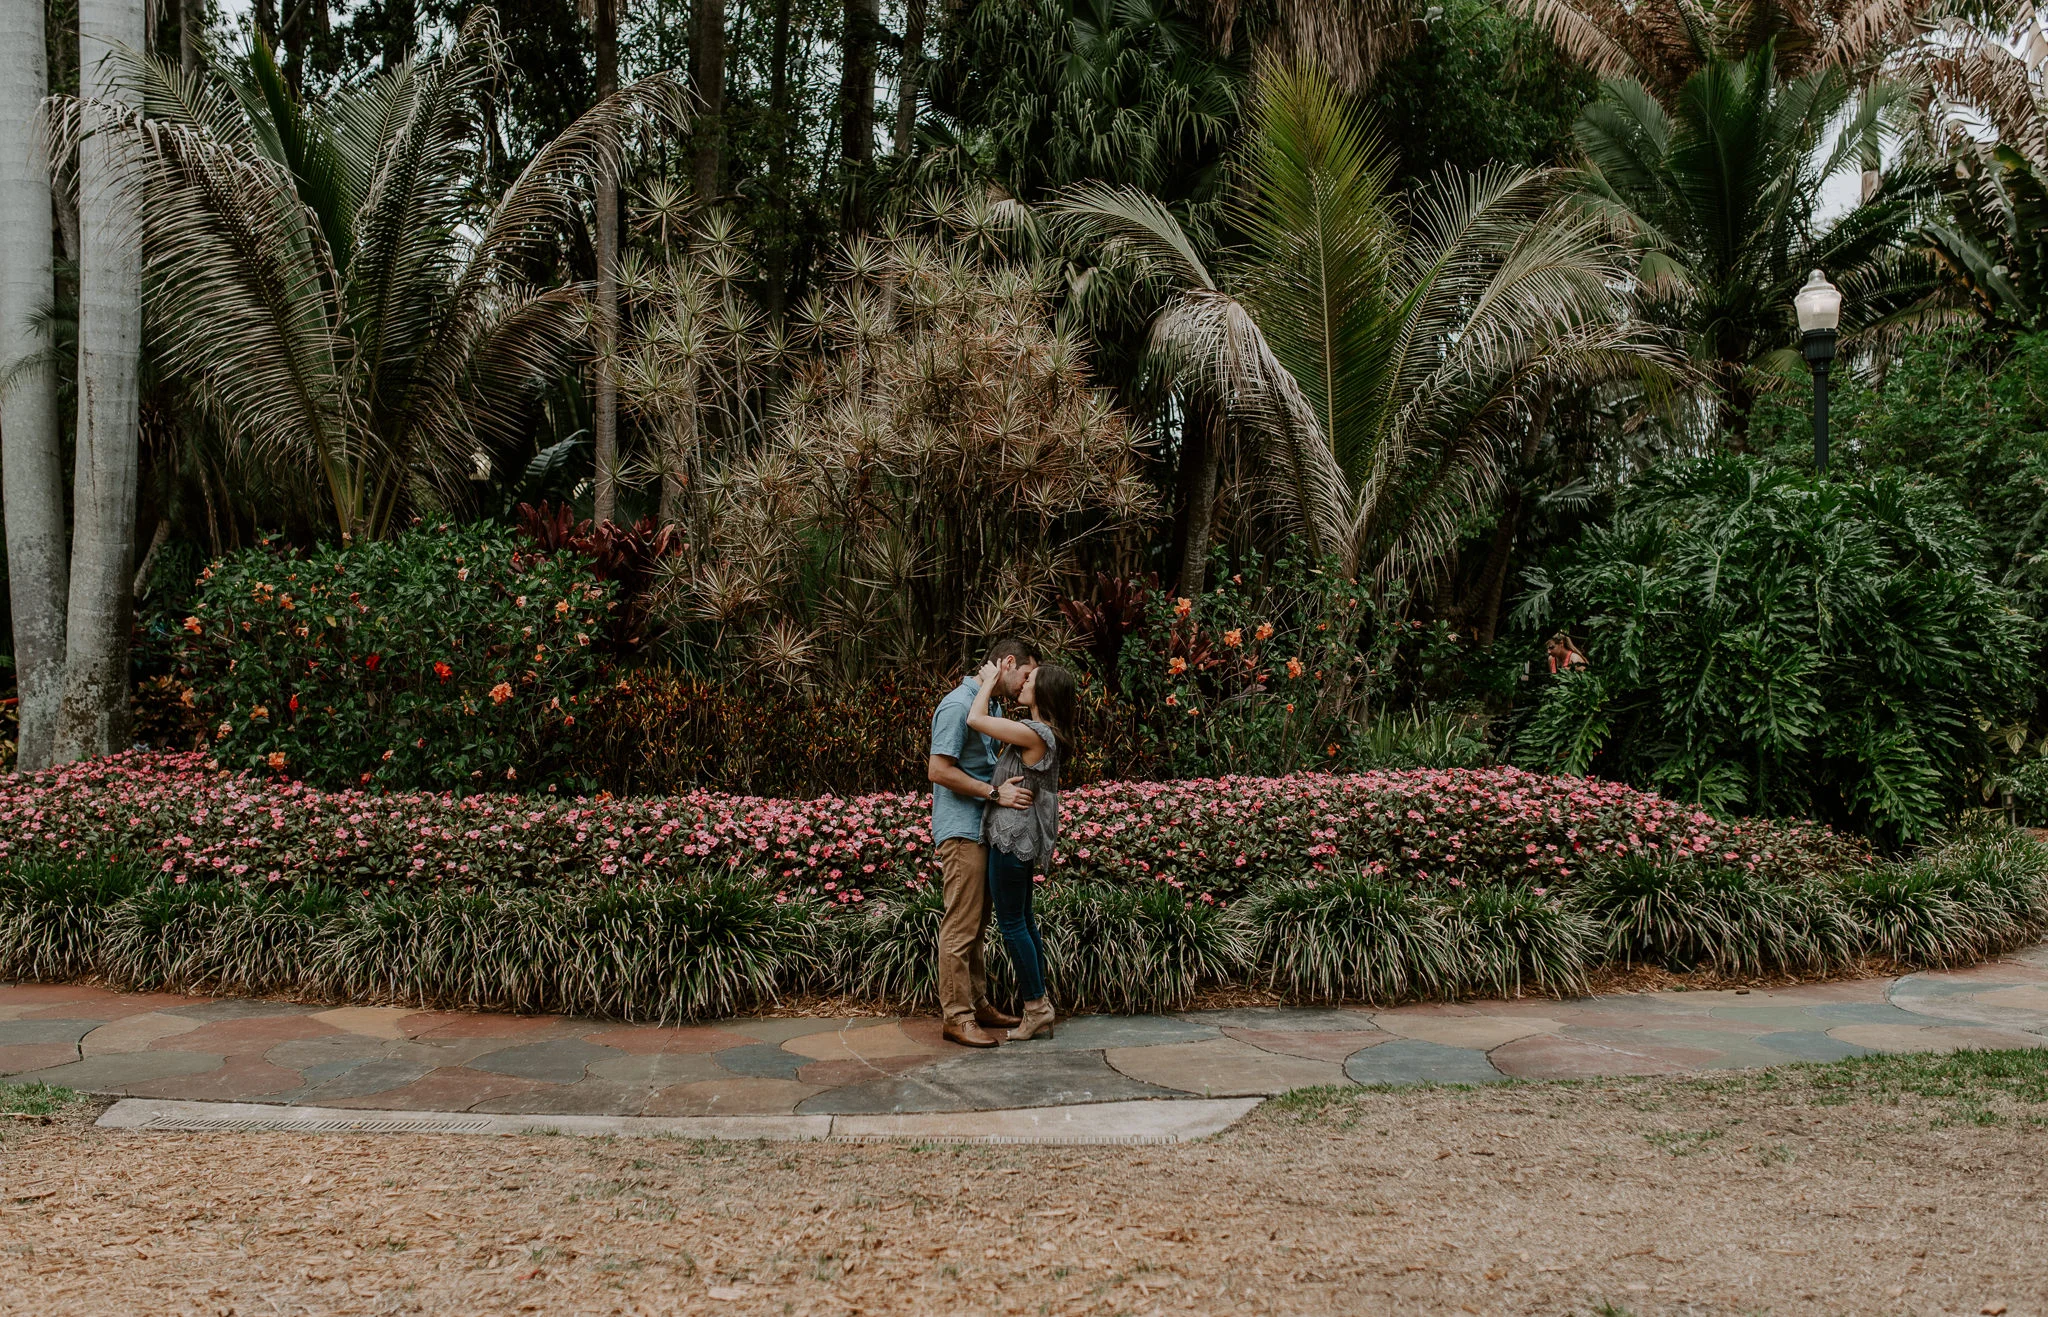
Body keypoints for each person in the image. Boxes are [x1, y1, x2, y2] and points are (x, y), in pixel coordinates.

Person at [926, 639, 1038, 1048]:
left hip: (982, 829)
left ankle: (977, 1002)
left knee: (977, 925)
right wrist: (994, 795)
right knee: (961, 926)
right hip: (962, 831)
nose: (1025, 684)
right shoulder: (959, 704)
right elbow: (938, 770)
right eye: (1025, 675)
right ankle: (956, 1016)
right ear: (1007, 663)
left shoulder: (988, 704)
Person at [967, 658, 1077, 1042]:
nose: (1023, 682)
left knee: (1013, 925)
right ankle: (1038, 1004)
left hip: (1012, 838)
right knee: (1024, 921)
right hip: (1018, 837)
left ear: (1043, 692)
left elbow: (975, 720)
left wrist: (988, 681)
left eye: (1031, 679)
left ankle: (1036, 1007)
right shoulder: (1042, 732)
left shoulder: (1036, 733)